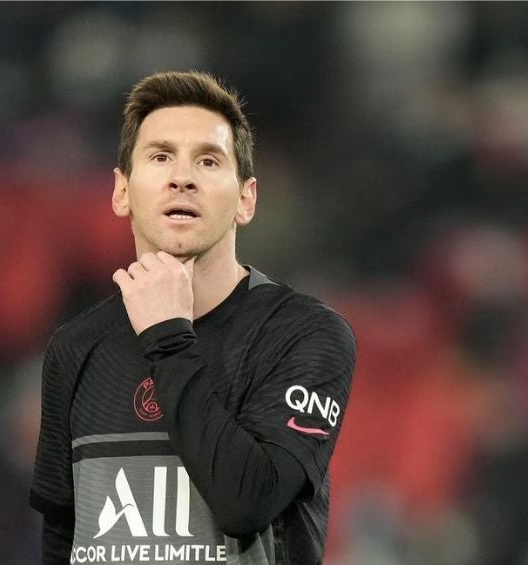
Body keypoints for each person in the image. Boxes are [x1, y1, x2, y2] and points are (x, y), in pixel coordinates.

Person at [29, 70, 356, 565]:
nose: (182, 178)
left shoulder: (304, 335)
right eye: (161, 157)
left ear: (246, 199)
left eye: (208, 160)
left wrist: (168, 337)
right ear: (121, 191)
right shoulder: (76, 348)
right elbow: (61, 537)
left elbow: (247, 502)